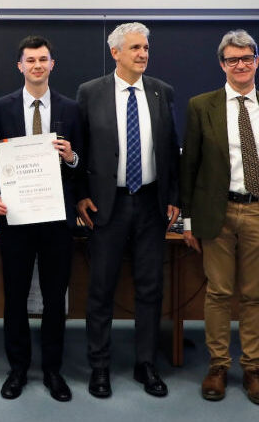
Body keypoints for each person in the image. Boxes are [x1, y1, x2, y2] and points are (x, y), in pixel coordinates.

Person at [179, 30, 259, 405]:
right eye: (233, 60)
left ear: (257, 61)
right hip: (217, 212)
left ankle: (253, 368)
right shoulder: (201, 106)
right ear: (222, 64)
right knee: (217, 293)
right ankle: (218, 365)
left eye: (247, 58)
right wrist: (187, 220)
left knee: (254, 295)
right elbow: (190, 166)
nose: (240, 65)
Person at [76, 21, 179, 400]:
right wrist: (81, 196)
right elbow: (80, 149)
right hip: (108, 205)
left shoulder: (161, 92)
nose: (143, 54)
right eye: (135, 48)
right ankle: (99, 367)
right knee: (101, 289)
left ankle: (145, 364)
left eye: (146, 48)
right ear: (115, 52)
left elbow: (171, 150)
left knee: (150, 289)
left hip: (151, 203)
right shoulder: (90, 93)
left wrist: (174, 195)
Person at [0, 36, 82, 402]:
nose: (37, 65)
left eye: (43, 59)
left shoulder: (71, 109)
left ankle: (53, 370)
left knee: (56, 298)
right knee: (16, 296)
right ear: (20, 66)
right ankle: (18, 368)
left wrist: (71, 157)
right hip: (16, 217)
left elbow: (80, 167)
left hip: (57, 219)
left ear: (52, 64)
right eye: (30, 60)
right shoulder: (1, 107)